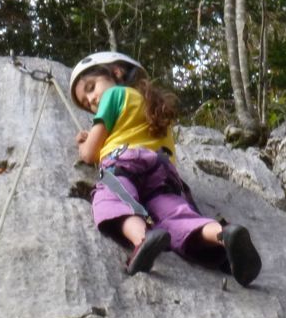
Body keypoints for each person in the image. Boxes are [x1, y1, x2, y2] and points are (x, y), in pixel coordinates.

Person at [70, 51, 262, 285]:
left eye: (91, 88)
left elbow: (90, 153)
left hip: (124, 161)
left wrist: (83, 143)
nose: (91, 100)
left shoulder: (113, 95)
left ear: (116, 72)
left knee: (111, 199)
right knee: (175, 215)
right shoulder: (148, 103)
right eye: (86, 103)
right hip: (162, 170)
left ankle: (143, 238)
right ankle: (223, 235)